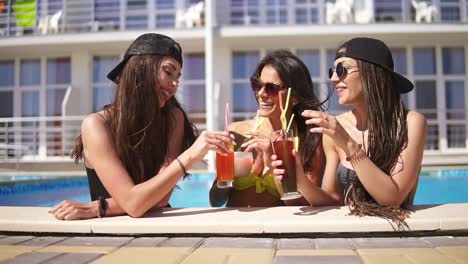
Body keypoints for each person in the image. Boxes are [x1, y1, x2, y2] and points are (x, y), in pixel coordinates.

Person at [49, 33, 234, 220]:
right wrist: (190, 155)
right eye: (168, 72)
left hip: (157, 225)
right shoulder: (97, 125)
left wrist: (98, 207)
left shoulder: (173, 118)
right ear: (141, 69)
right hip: (110, 233)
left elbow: (161, 199)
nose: (174, 84)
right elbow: (134, 205)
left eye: (178, 77)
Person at [272, 37, 426, 228]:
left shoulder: (410, 123)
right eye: (332, 71)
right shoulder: (336, 127)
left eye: (341, 70)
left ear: (371, 73)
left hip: (396, 235)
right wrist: (300, 179)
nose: (334, 78)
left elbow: (392, 199)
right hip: (351, 235)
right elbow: (333, 200)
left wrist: (348, 143)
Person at [210, 50, 326, 207]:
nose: (261, 94)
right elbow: (216, 201)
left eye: (272, 88)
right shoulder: (237, 132)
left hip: (277, 229)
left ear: (295, 97)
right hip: (236, 228)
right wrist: (223, 177)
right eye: (257, 85)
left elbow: (304, 207)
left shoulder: (309, 140)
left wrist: (273, 165)